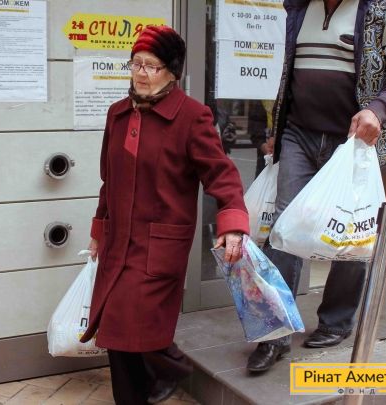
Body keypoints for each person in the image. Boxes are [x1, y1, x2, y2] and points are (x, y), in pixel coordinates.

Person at [246, 0, 386, 373]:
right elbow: (290, 75)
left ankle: (337, 321)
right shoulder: (300, 6)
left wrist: (377, 110)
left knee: (350, 231)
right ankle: (274, 332)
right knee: (283, 229)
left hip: (355, 143)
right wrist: (277, 129)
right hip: (299, 135)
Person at [79, 25, 250, 404]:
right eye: (136, 63)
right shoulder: (117, 114)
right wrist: (98, 231)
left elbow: (221, 174)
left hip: (159, 246)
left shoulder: (192, 117)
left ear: (172, 72)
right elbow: (109, 180)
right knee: (116, 331)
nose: (141, 73)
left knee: (132, 323)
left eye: (151, 66)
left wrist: (233, 223)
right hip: (118, 243)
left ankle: (171, 368)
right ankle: (141, 391)